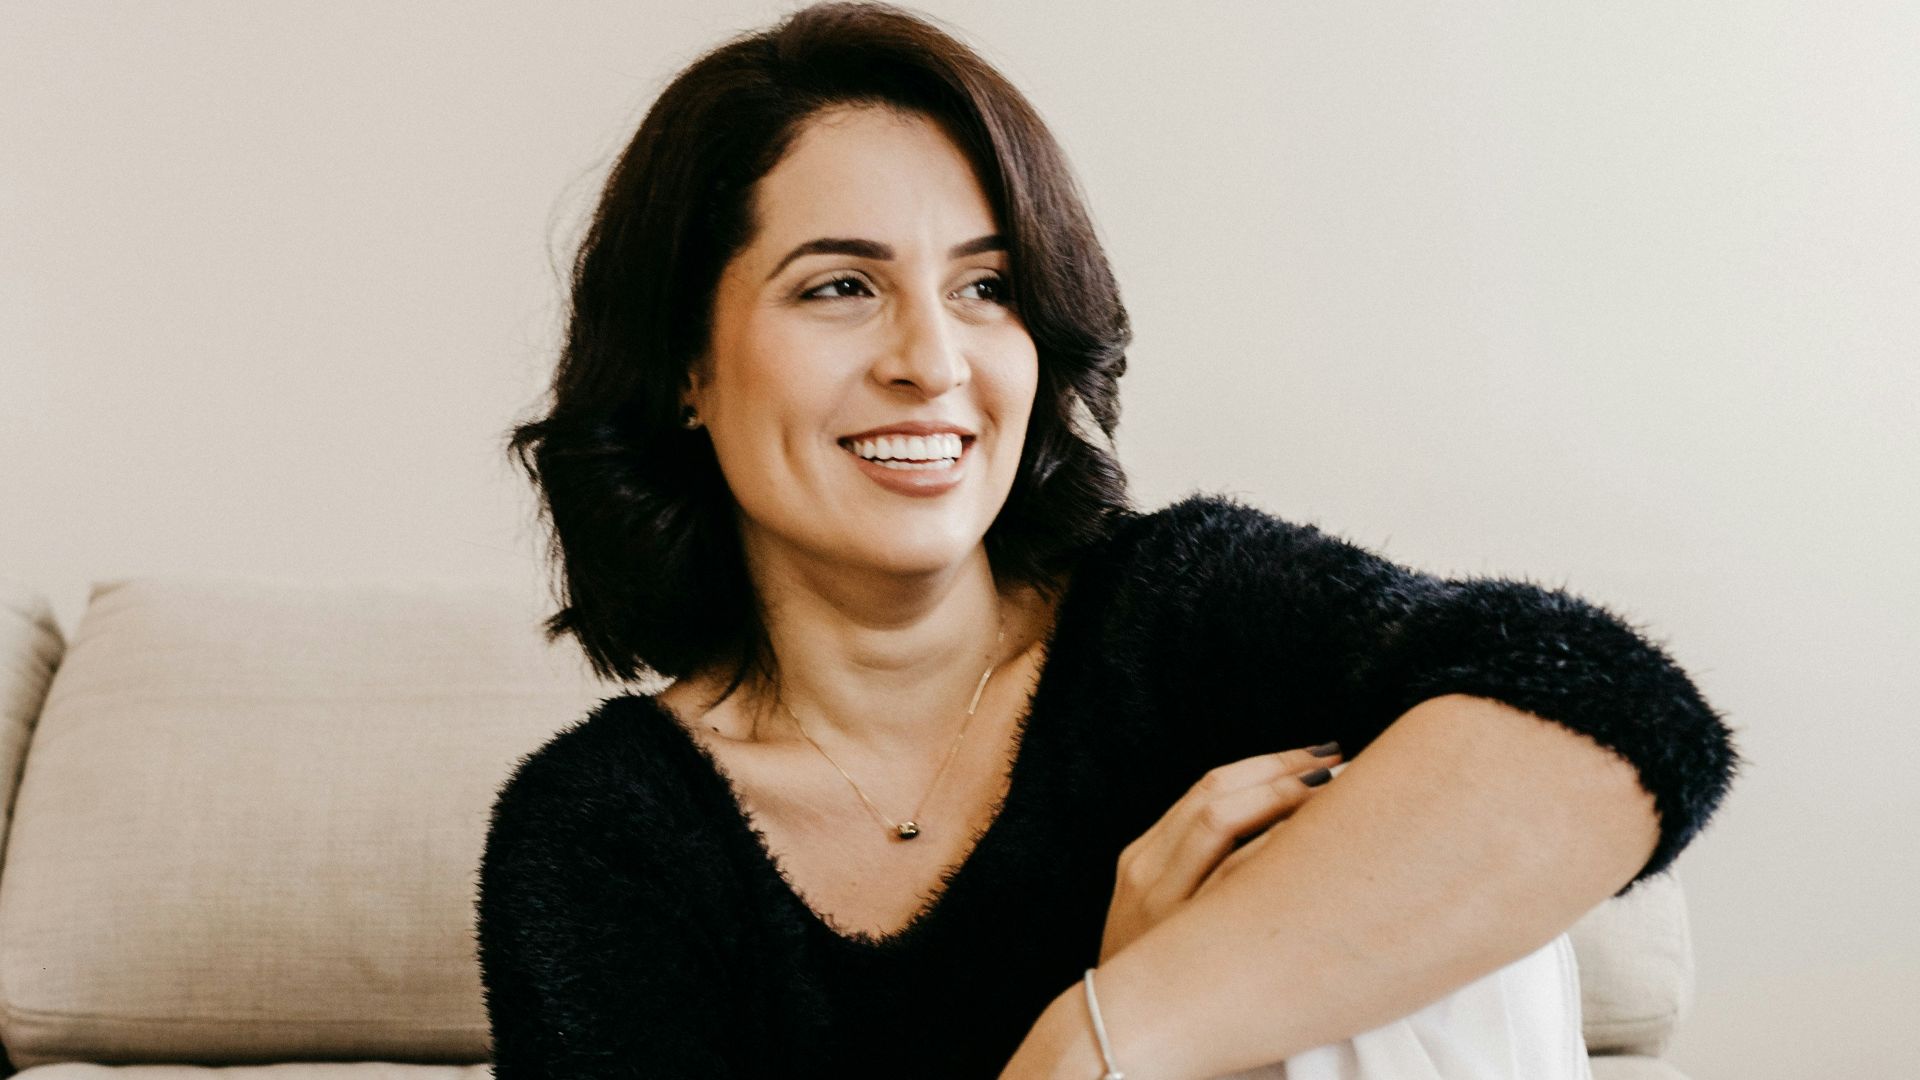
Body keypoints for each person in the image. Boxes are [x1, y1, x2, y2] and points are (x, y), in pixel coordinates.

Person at [475, 4, 1739, 1077]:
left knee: (1416, 855)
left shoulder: (1183, 616)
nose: (934, 362)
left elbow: (1618, 721)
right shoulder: (604, 836)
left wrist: (1119, 1026)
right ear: (686, 364)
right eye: (840, 286)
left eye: (987, 287)